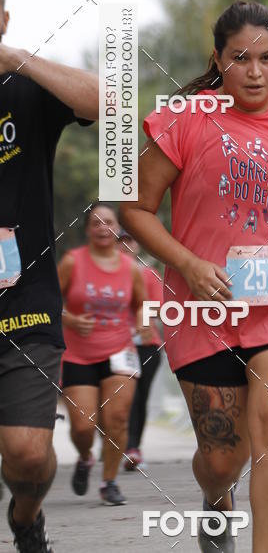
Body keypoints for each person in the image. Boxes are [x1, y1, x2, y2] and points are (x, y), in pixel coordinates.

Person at [120, 0, 268, 553]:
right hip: (207, 306)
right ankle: (216, 497)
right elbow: (135, 208)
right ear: (218, 59)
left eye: (267, 58)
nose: (255, 72)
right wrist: (188, 264)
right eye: (240, 58)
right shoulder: (186, 118)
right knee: (223, 459)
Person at [0, 0, 98, 552]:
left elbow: (106, 99)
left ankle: (25, 518)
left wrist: (22, 60)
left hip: (26, 305)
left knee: (29, 456)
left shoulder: (24, 89)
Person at [57, 203, 146, 506]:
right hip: (78, 354)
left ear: (118, 228)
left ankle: (109, 482)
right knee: (83, 426)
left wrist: (145, 327)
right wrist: (69, 319)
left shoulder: (131, 268)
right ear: (87, 230)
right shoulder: (73, 262)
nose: (102, 228)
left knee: (117, 418)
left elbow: (141, 307)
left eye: (108, 222)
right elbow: (50, 302)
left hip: (120, 352)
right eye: (95, 223)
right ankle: (85, 458)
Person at [117, 230, 163, 471]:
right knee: (123, 396)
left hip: (146, 346)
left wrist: (141, 317)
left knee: (138, 396)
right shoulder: (107, 276)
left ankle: (133, 448)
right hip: (114, 346)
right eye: (120, 241)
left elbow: (159, 308)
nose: (125, 246)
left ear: (137, 244)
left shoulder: (149, 274)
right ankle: (119, 445)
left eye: (130, 240)